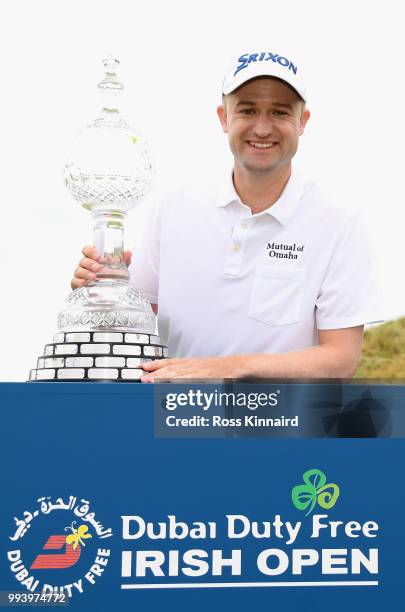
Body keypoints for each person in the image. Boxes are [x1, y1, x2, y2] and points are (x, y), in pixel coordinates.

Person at [71, 50, 383, 382]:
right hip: (176, 424)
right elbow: (131, 325)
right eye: (247, 110)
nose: (262, 128)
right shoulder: (174, 209)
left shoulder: (338, 222)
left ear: (302, 121)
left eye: (279, 112)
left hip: (284, 428)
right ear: (224, 118)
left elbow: (340, 360)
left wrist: (228, 369)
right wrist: (98, 292)